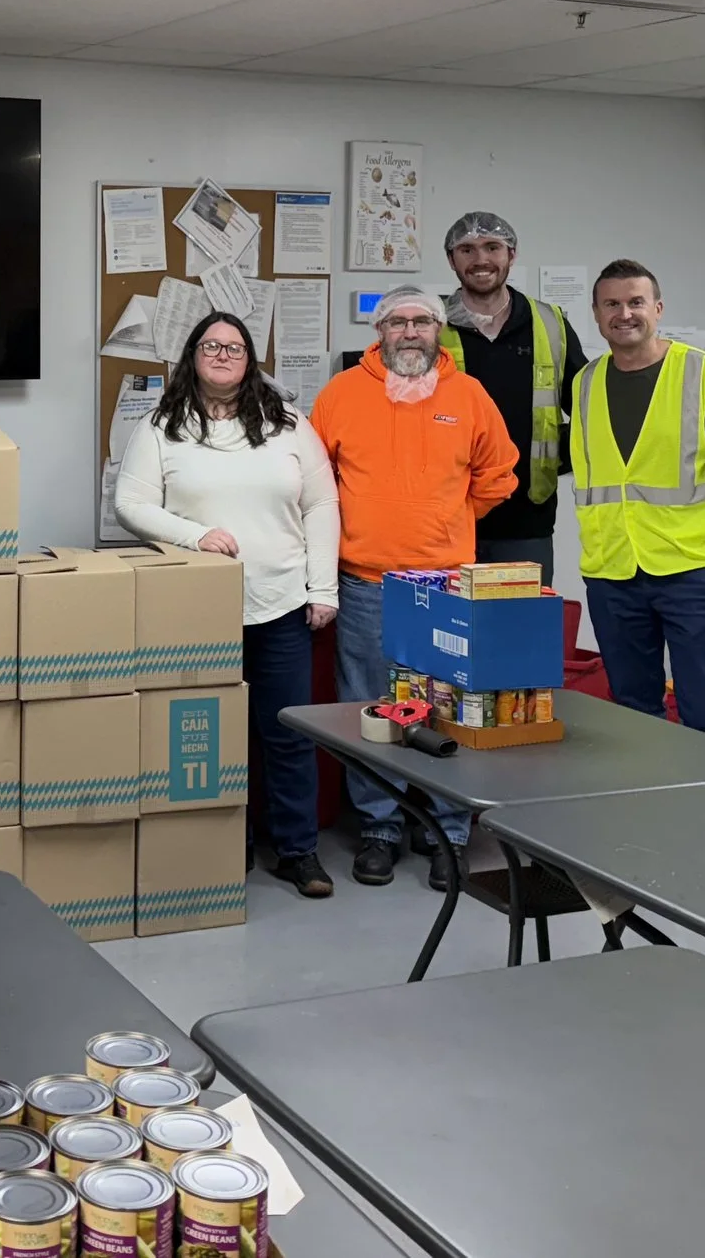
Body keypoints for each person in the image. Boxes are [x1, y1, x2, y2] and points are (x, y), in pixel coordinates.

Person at [116, 310, 340, 900]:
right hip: (198, 611)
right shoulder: (161, 425)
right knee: (211, 737)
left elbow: (321, 505)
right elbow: (130, 503)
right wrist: (196, 535)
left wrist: (324, 589)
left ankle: (298, 851)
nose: (222, 355)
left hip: (283, 602)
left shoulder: (288, 423)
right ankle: (225, 848)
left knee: (288, 734)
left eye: (235, 347)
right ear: (192, 355)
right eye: (211, 346)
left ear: (250, 360)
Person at [310, 285, 520, 885]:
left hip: (448, 584)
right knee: (374, 709)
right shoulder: (342, 394)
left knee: (451, 708)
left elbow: (499, 476)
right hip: (367, 584)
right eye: (397, 322)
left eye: (421, 321)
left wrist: (446, 523)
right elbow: (316, 485)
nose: (409, 332)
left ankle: (448, 830)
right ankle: (379, 828)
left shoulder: (470, 395)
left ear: (439, 330)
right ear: (379, 333)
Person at [571, 260, 705, 737]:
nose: (625, 314)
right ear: (596, 315)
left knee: (704, 719)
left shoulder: (703, 374)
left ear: (657, 309)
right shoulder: (585, 383)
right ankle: (645, 811)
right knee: (634, 718)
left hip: (693, 574)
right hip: (612, 574)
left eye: (636, 302)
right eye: (612, 304)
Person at [437, 212, 584, 584]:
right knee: (446, 634)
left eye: (492, 247)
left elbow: (587, 408)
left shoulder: (550, 323)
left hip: (526, 519)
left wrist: (558, 455)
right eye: (466, 249)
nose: (480, 259)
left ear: (512, 255)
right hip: (445, 515)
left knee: (519, 632)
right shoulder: (429, 324)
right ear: (451, 259)